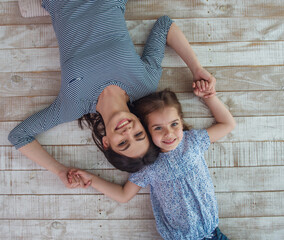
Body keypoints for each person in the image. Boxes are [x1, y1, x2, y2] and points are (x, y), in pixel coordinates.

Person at [8, 0, 216, 188]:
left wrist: (59, 170)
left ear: (107, 142)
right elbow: (165, 25)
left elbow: (19, 136)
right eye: (138, 135)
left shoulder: (73, 105)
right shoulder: (145, 84)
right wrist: (197, 69)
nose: (127, 132)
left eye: (123, 143)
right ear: (143, 125)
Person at [68, 85, 236, 239]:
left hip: (214, 233)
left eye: (174, 124)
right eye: (157, 128)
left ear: (181, 121)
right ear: (145, 131)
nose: (169, 134)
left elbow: (227, 124)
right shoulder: (148, 166)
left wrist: (209, 97)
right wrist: (91, 179)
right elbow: (124, 194)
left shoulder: (193, 142)